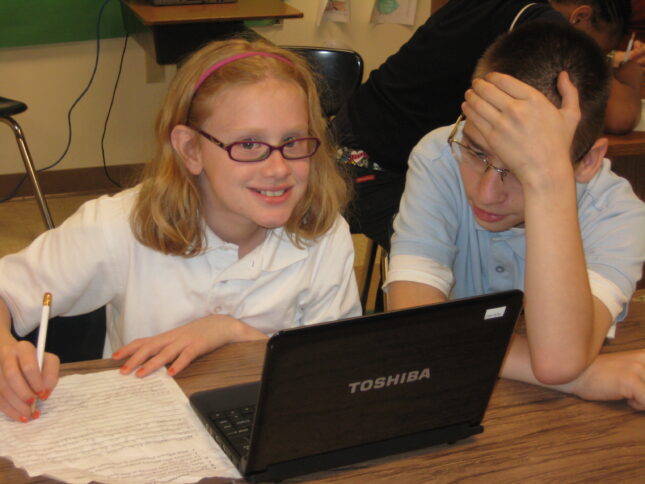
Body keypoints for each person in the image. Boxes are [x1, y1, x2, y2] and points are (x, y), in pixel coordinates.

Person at [0, 39, 361, 423]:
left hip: (270, 426)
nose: (278, 168)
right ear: (190, 149)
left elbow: (338, 372)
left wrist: (232, 332)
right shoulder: (119, 225)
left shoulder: (323, 233)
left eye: (292, 141)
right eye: (249, 144)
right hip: (140, 432)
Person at [385, 21, 645, 409]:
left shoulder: (618, 214)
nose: (487, 192)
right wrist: (584, 379)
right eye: (476, 152)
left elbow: (557, 360)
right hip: (453, 394)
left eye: (522, 172)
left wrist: (548, 180)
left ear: (587, 162)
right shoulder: (440, 156)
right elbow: (414, 323)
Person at [333, 0, 641, 250]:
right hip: (369, 169)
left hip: (354, 147)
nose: (596, 58)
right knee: (478, 263)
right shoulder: (539, 24)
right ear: (579, 18)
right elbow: (619, 115)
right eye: (602, 50)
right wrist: (631, 73)